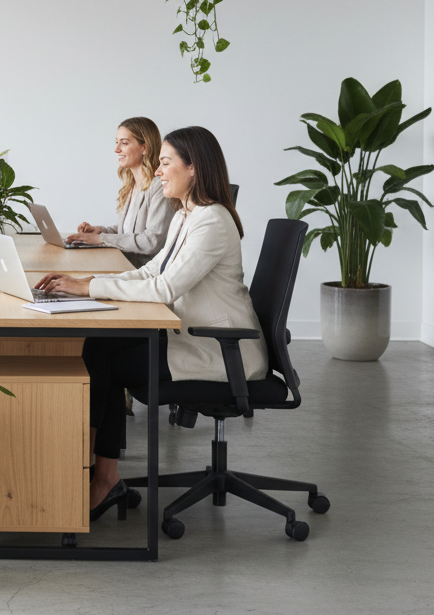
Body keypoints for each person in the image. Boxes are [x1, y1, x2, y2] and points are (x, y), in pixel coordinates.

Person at [35, 126, 264, 522]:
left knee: (101, 360)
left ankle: (97, 474)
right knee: (99, 347)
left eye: (165, 162)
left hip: (220, 350)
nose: (158, 171)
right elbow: (150, 272)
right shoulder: (187, 215)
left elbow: (164, 287)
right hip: (193, 338)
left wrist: (89, 287)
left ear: (193, 168)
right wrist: (86, 285)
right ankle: (102, 475)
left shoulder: (212, 221)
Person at [68, 117, 175, 269]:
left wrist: (101, 239)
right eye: (116, 142)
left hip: (143, 272)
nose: (117, 149)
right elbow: (126, 231)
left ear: (145, 147)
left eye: (124, 143)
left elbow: (152, 241)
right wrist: (100, 230)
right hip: (123, 265)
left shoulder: (159, 186)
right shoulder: (132, 184)